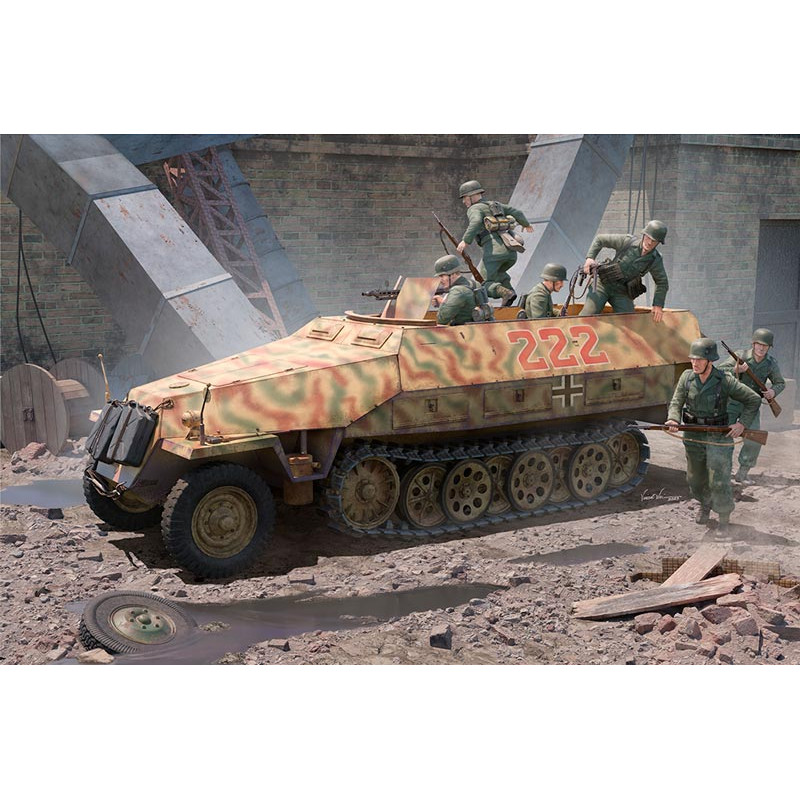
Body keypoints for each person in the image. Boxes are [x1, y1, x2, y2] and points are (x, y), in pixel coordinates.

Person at [666, 337, 761, 535]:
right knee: (695, 479)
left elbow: (753, 399)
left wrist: (741, 424)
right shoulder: (687, 377)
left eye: (699, 359)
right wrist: (673, 419)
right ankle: (705, 505)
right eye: (692, 359)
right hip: (693, 436)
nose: (694, 363)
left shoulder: (724, 380)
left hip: (718, 438)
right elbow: (676, 402)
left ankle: (724, 518)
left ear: (710, 361)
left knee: (719, 480)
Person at [719, 328, 786, 484]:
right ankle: (723, 471)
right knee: (723, 436)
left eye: (765, 346)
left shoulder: (770, 363)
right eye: (759, 344)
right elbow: (719, 371)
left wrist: (772, 392)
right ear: (753, 344)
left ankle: (743, 473)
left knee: (754, 438)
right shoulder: (740, 356)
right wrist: (735, 369)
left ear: (769, 347)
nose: (761, 348)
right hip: (732, 402)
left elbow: (780, 383)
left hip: (752, 405)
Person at [455, 180, 533, 305]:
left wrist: (465, 241)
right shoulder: (496, 205)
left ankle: (506, 293)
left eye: (464, 197)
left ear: (471, 196)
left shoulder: (474, 208)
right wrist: (526, 224)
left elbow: (476, 222)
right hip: (511, 252)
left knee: (484, 283)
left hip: (494, 253)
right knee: (499, 274)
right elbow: (516, 212)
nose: (464, 201)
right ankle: (510, 293)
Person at [579, 220, 670, 322]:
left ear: (658, 243)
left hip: (622, 292)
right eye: (648, 237)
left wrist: (658, 304)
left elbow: (662, 282)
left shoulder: (655, 259)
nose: (649, 243)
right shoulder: (627, 242)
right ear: (644, 234)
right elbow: (600, 239)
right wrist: (590, 258)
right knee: (587, 317)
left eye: (654, 241)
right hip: (603, 284)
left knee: (629, 322)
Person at [431, 255, 489, 326]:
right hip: (479, 328)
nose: (440, 280)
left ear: (453, 274)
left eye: (442, 276)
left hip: (463, 330)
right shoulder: (474, 284)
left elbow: (442, 319)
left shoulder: (457, 291)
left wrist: (443, 302)